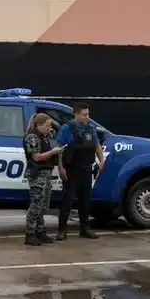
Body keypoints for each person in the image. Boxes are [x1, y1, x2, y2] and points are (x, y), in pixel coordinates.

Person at [55, 102, 107, 240]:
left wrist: (101, 161)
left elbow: (97, 146)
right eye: (84, 114)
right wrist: (60, 167)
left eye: (88, 114)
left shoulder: (91, 128)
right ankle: (62, 231)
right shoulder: (67, 129)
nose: (87, 117)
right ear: (76, 114)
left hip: (86, 169)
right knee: (68, 201)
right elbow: (59, 149)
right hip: (72, 170)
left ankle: (85, 229)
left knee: (85, 201)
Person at [22, 113, 65, 246]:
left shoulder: (44, 137)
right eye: (47, 126)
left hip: (46, 173)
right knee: (36, 204)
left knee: (44, 205)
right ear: (38, 125)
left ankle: (40, 231)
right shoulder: (32, 137)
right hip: (37, 174)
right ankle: (29, 234)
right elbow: (36, 157)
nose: (50, 128)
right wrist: (53, 152)